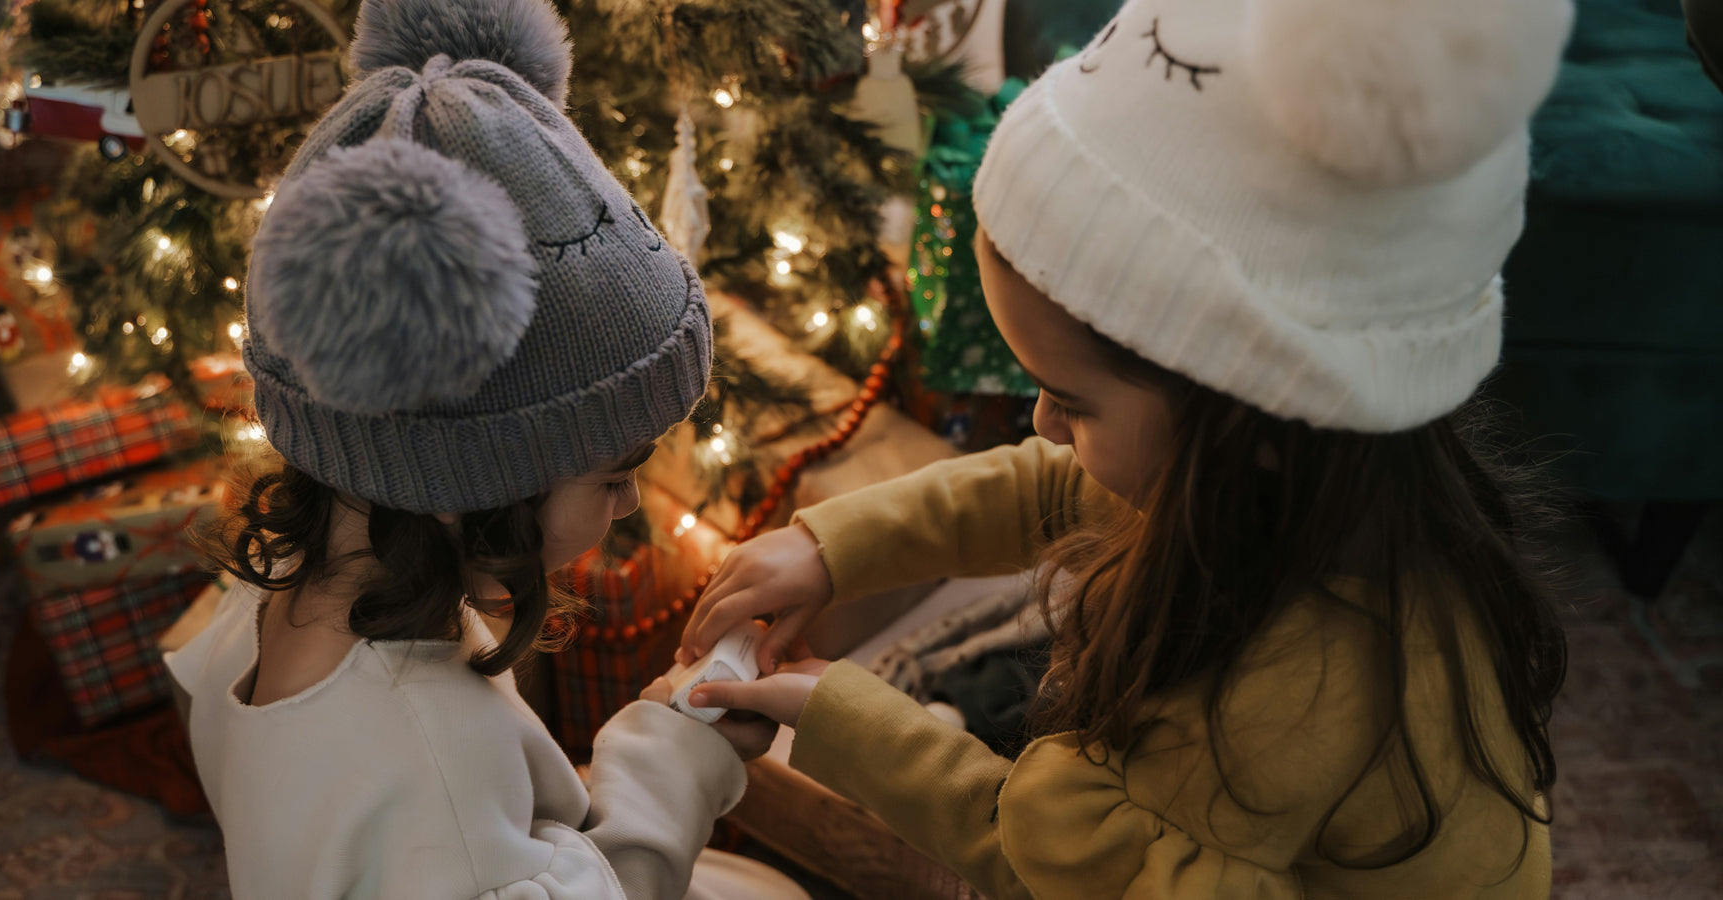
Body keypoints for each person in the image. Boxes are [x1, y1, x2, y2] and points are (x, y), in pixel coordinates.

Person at [679, 0, 1575, 896]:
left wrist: (841, 719)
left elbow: (1084, 874)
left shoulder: (1292, 693)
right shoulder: (1298, 482)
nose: (1040, 425)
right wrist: (829, 548)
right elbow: (1055, 487)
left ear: (1247, 420)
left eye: (1071, 400)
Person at [168, 1, 804, 897]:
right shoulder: (426, 753)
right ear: (464, 483)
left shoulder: (284, 579)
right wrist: (676, 759)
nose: (628, 505)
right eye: (616, 474)